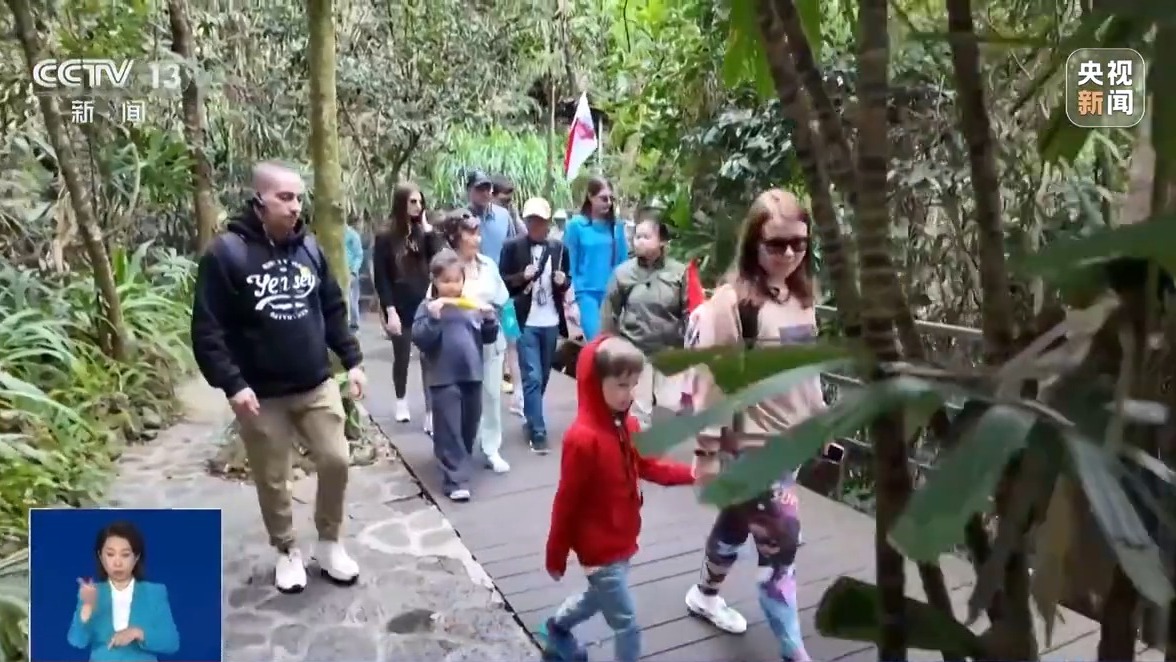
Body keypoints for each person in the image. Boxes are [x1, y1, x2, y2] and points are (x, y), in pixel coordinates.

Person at [190, 161, 365, 594]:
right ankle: (287, 549)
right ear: (259, 201)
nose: (295, 206)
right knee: (273, 478)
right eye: (284, 197)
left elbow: (332, 308)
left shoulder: (310, 248)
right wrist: (232, 384)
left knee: (336, 459)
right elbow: (207, 330)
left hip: (315, 383)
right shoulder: (226, 254)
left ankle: (329, 542)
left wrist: (353, 360)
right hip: (260, 394)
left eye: (298, 197)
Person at [684, 189, 825, 662]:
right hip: (753, 449)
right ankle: (793, 652)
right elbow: (711, 383)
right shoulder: (731, 305)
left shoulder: (801, 297)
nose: (789, 253)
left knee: (737, 519)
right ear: (753, 244)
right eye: (776, 243)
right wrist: (706, 453)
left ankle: (705, 594)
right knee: (782, 544)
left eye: (799, 243)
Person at [541, 336, 694, 662]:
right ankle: (559, 630)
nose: (630, 394)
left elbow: (650, 466)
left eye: (634, 385)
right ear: (595, 383)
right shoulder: (583, 439)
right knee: (627, 623)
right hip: (598, 548)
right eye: (621, 385)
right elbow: (566, 501)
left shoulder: (628, 426)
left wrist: (694, 473)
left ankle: (557, 627)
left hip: (623, 537)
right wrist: (556, 553)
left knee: (597, 598)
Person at [412, 248, 500, 501]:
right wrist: (433, 319)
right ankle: (455, 480)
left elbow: (487, 338)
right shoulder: (428, 307)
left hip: (471, 374)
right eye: (446, 281)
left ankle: (460, 462)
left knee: (468, 425)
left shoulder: (471, 306)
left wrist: (490, 320)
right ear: (435, 281)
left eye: (457, 280)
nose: (452, 287)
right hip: (443, 377)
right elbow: (421, 339)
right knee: (449, 428)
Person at [439, 208, 513, 473]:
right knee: (462, 398)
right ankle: (460, 448)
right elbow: (434, 301)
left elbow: (503, 298)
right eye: (469, 232)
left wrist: (503, 323)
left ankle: (491, 447)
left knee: (491, 394)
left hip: (490, 337)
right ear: (455, 236)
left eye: (477, 232)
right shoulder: (446, 267)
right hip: (459, 342)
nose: (476, 238)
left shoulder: (488, 265)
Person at [599, 218, 690, 429]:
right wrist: (608, 347)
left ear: (662, 241)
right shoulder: (623, 273)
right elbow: (609, 312)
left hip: (670, 352)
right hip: (635, 351)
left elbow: (689, 312)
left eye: (646, 237)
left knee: (671, 405)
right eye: (637, 236)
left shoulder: (679, 272)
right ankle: (636, 446)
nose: (639, 241)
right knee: (639, 410)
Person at [499, 197, 570, 454]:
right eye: (531, 220)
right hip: (525, 320)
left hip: (550, 320)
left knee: (543, 376)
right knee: (532, 375)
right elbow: (502, 281)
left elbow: (567, 279)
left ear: (548, 222)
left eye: (540, 220)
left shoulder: (559, 248)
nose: (535, 225)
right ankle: (538, 432)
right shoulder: (512, 247)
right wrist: (522, 276)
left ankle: (531, 417)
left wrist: (563, 281)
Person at [372, 182, 442, 429]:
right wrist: (389, 310)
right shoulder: (386, 236)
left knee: (428, 357)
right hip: (399, 304)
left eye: (420, 202)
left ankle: (431, 410)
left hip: (423, 301)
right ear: (401, 202)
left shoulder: (423, 233)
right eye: (413, 201)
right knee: (401, 356)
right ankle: (401, 400)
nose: (418, 206)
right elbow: (381, 277)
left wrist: (428, 230)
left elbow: (438, 261)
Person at [68, 521, 179, 660]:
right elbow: (77, 641)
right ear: (101, 556)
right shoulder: (92, 593)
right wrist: (87, 608)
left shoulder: (154, 593)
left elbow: (171, 642)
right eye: (110, 554)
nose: (117, 563)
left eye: (125, 555)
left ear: (136, 557)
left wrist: (138, 633)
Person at [563, 176, 627, 340]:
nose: (608, 203)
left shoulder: (617, 227)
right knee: (596, 340)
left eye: (611, 199)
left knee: (612, 342)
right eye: (603, 198)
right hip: (586, 294)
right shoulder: (576, 226)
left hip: (612, 294)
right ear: (590, 197)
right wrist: (570, 298)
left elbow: (623, 262)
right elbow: (570, 262)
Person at [490, 174, 525, 413]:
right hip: (485, 290)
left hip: (507, 291)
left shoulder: (508, 219)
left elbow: (523, 236)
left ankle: (518, 392)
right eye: (504, 200)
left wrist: (515, 215)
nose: (508, 204)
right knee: (493, 341)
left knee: (513, 338)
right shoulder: (482, 220)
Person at [344, 217, 364, 332]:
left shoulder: (352, 235)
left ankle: (354, 325)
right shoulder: (332, 235)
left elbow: (359, 255)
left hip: (350, 271)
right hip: (337, 271)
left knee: (351, 301)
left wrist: (353, 271)